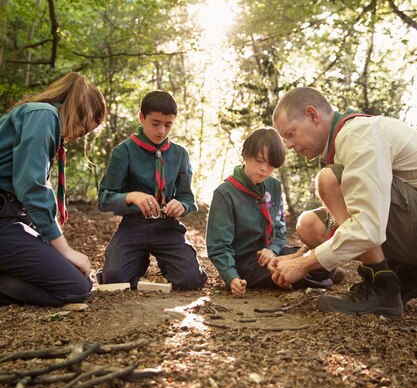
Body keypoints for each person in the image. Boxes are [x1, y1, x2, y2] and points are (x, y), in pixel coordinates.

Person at [269, 86, 417, 317]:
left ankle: (383, 286)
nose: (288, 145)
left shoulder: (357, 135)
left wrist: (303, 265)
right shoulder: (344, 140)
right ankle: (405, 273)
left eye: (290, 134)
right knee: (310, 225)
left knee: (330, 180)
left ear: (312, 115)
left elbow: (368, 228)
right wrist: (298, 255)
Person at [0, 72, 107, 307]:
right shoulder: (44, 116)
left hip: (11, 217)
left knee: (76, 276)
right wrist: (64, 249)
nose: (80, 137)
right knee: (75, 287)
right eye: (85, 130)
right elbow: (31, 186)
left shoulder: (43, 117)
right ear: (84, 114)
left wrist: (50, 243)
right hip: (4, 221)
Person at [206, 127, 337, 297]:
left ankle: (324, 272)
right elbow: (218, 246)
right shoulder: (225, 193)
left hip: (274, 253)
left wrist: (272, 250)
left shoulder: (273, 185)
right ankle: (324, 276)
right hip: (244, 262)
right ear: (245, 154)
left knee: (311, 257)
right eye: (259, 161)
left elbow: (280, 230)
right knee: (287, 273)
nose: (264, 169)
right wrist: (232, 278)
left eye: (271, 165)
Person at [97, 90, 207, 290]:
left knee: (191, 280)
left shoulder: (180, 154)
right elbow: (104, 199)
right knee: (114, 280)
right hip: (133, 226)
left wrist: (181, 205)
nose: (161, 131)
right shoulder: (124, 152)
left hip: (168, 227)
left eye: (168, 125)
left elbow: (188, 198)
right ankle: (138, 260)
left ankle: (168, 261)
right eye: (155, 123)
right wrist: (132, 197)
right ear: (141, 117)